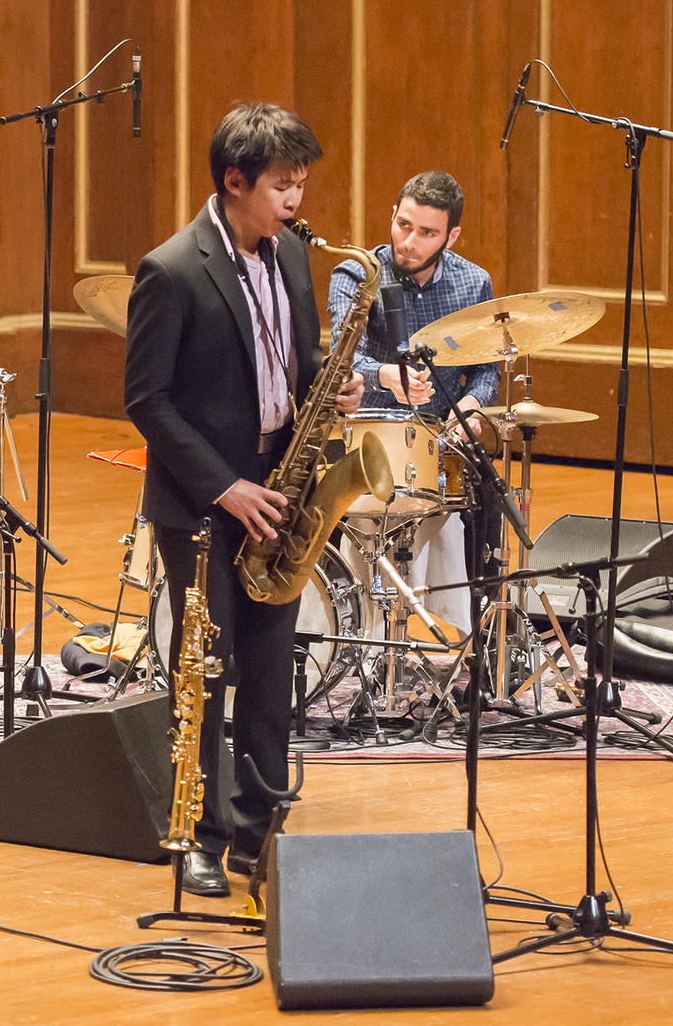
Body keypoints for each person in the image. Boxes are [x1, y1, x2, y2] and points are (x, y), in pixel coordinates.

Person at [124, 103, 364, 897]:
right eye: (282, 187)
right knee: (206, 671)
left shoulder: (292, 256)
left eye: (300, 185)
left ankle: (259, 830)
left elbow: (298, 358)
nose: (296, 201)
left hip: (282, 490)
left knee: (268, 668)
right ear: (235, 182)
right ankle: (194, 832)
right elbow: (147, 401)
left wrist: (333, 385)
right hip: (204, 504)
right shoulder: (171, 269)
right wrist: (226, 490)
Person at [328, 171, 497, 638]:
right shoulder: (357, 274)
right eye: (404, 225)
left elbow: (487, 371)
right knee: (366, 528)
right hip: (369, 434)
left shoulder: (473, 283)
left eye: (427, 233)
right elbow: (341, 358)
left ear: (451, 235)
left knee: (474, 509)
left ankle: (455, 637)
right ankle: (363, 635)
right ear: (393, 215)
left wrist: (470, 406)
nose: (409, 241)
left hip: (439, 439)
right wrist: (387, 376)